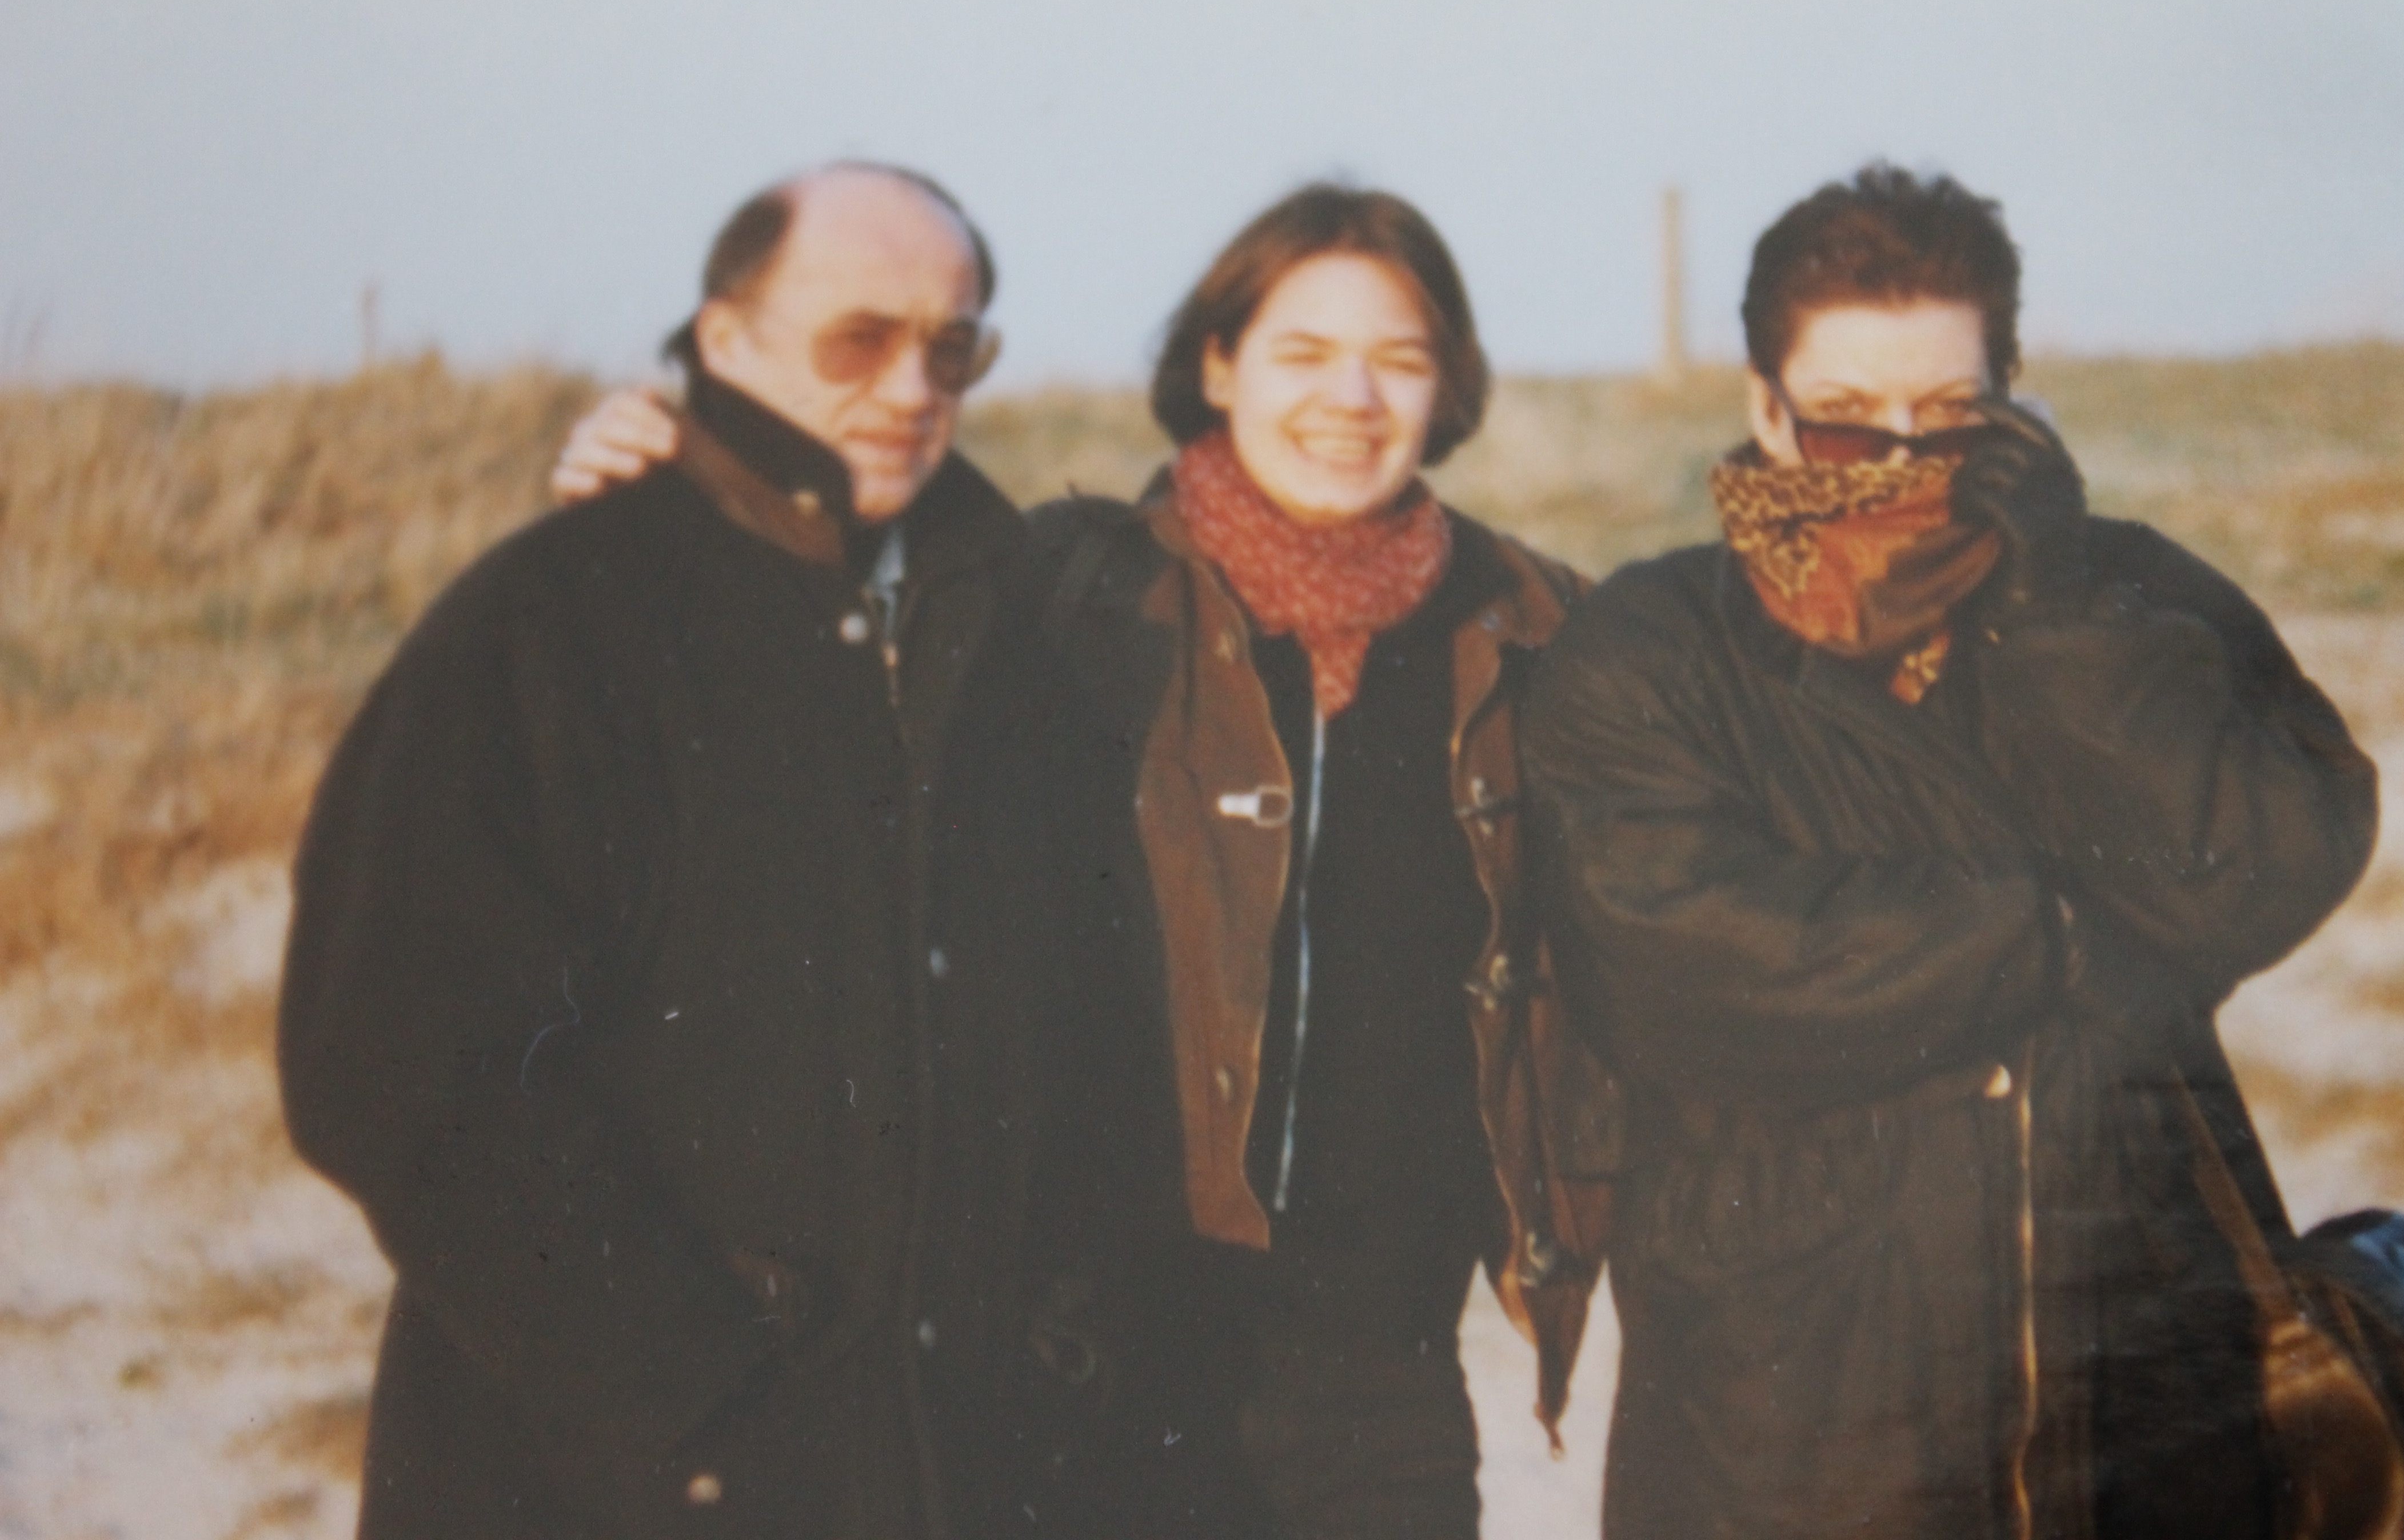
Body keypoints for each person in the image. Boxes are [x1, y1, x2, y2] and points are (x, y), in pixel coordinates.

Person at [552, 182, 1623, 1540]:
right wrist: (674, 493)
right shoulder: (1062, 591)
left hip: (1381, 1373)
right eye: (1302, 352)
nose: (1351, 398)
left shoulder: (1539, 630)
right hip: (1092, 1358)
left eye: (1399, 359)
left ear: (1448, 383)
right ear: (1219, 364)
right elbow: (806, 658)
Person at [1520, 164, 2380, 1540]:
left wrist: (2057, 617)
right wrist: (2054, 931)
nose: (1904, 458)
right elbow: (1692, 961)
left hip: (2136, 1378)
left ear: (2014, 401)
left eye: (1953, 417)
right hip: (1799, 1410)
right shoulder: (1655, 644)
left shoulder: (2123, 587)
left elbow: (2264, 860)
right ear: (1766, 409)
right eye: (1849, 420)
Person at [279, 162, 1074, 1540]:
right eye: (857, 339)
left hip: (934, 1464)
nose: (910, 388)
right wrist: (684, 1384)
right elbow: (396, 1058)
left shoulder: (1012, 625)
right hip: (606, 1473)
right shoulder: (548, 621)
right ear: (725, 338)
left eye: (953, 348)